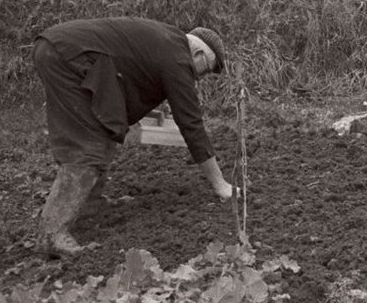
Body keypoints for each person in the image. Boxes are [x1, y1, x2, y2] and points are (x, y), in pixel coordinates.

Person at [31, 17, 235, 258]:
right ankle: (51, 235)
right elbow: (191, 124)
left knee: (102, 128)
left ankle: (91, 203)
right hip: (71, 57)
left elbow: (130, 67)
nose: (200, 78)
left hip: (66, 50)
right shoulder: (178, 58)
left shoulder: (168, 41)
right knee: (87, 146)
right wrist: (221, 185)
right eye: (207, 70)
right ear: (199, 53)